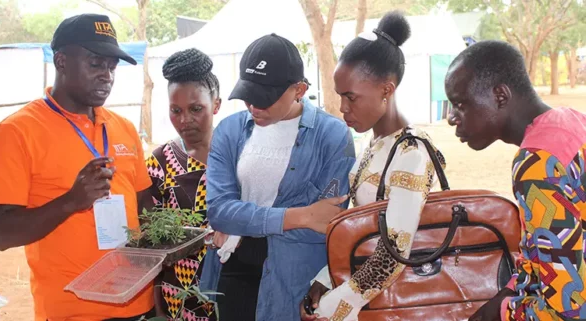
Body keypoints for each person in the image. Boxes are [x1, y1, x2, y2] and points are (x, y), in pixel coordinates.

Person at [0, 14, 155, 321]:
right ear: (61, 61)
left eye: (112, 66)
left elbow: (144, 205)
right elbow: (0, 233)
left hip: (138, 303)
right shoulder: (17, 132)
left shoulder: (124, 128)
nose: (107, 75)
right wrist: (71, 201)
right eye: (95, 63)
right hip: (72, 311)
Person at [198, 33, 356, 321]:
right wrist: (301, 215)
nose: (254, 107)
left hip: (296, 282)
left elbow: (327, 223)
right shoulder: (229, 131)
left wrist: (244, 222)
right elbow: (219, 211)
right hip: (235, 272)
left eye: (265, 99)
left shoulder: (332, 135)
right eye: (248, 96)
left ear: (299, 89)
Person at [300, 11, 447, 321]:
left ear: (386, 89)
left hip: (390, 305)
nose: (342, 108)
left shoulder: (411, 152)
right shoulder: (380, 143)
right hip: (363, 299)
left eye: (351, 97)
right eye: (341, 96)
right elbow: (363, 230)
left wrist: (331, 307)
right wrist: (324, 279)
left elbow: (392, 254)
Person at [445, 40, 586, 321]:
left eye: (460, 104)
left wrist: (499, 313)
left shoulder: (537, 164)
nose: (451, 117)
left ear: (499, 95)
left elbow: (567, 311)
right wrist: (507, 294)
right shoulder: (569, 121)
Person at [144, 48, 220, 321]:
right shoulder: (160, 163)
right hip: (177, 299)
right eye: (176, 111)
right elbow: (148, 245)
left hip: (232, 291)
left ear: (217, 105)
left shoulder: (238, 155)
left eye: (196, 109)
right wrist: (158, 309)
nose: (185, 120)